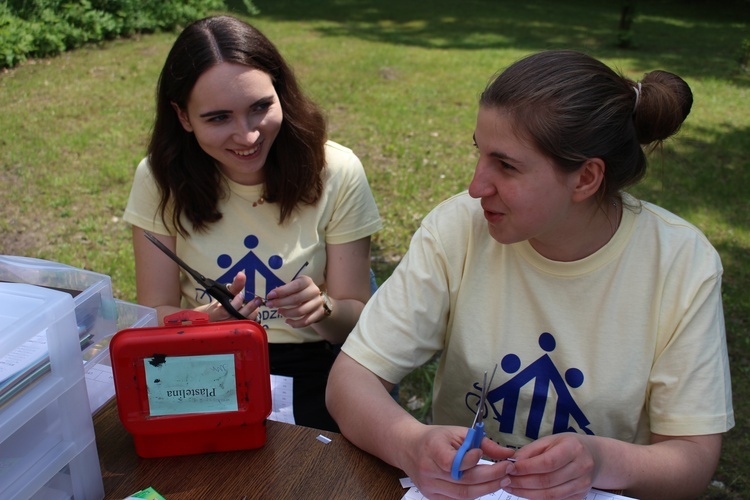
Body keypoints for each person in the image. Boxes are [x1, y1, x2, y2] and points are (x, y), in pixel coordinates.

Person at [326, 50, 734, 499]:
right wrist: (411, 442)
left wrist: (598, 461)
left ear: (585, 179)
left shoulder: (679, 262)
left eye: (507, 165)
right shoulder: (459, 228)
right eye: (479, 153)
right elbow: (351, 380)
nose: (476, 186)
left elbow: (692, 458)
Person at [123, 15, 382, 432]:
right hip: (201, 360)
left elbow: (355, 319)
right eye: (218, 118)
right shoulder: (159, 177)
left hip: (312, 363)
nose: (247, 137)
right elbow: (154, 310)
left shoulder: (336, 169)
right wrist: (206, 322)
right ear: (183, 116)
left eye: (260, 107)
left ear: (281, 92)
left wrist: (323, 308)